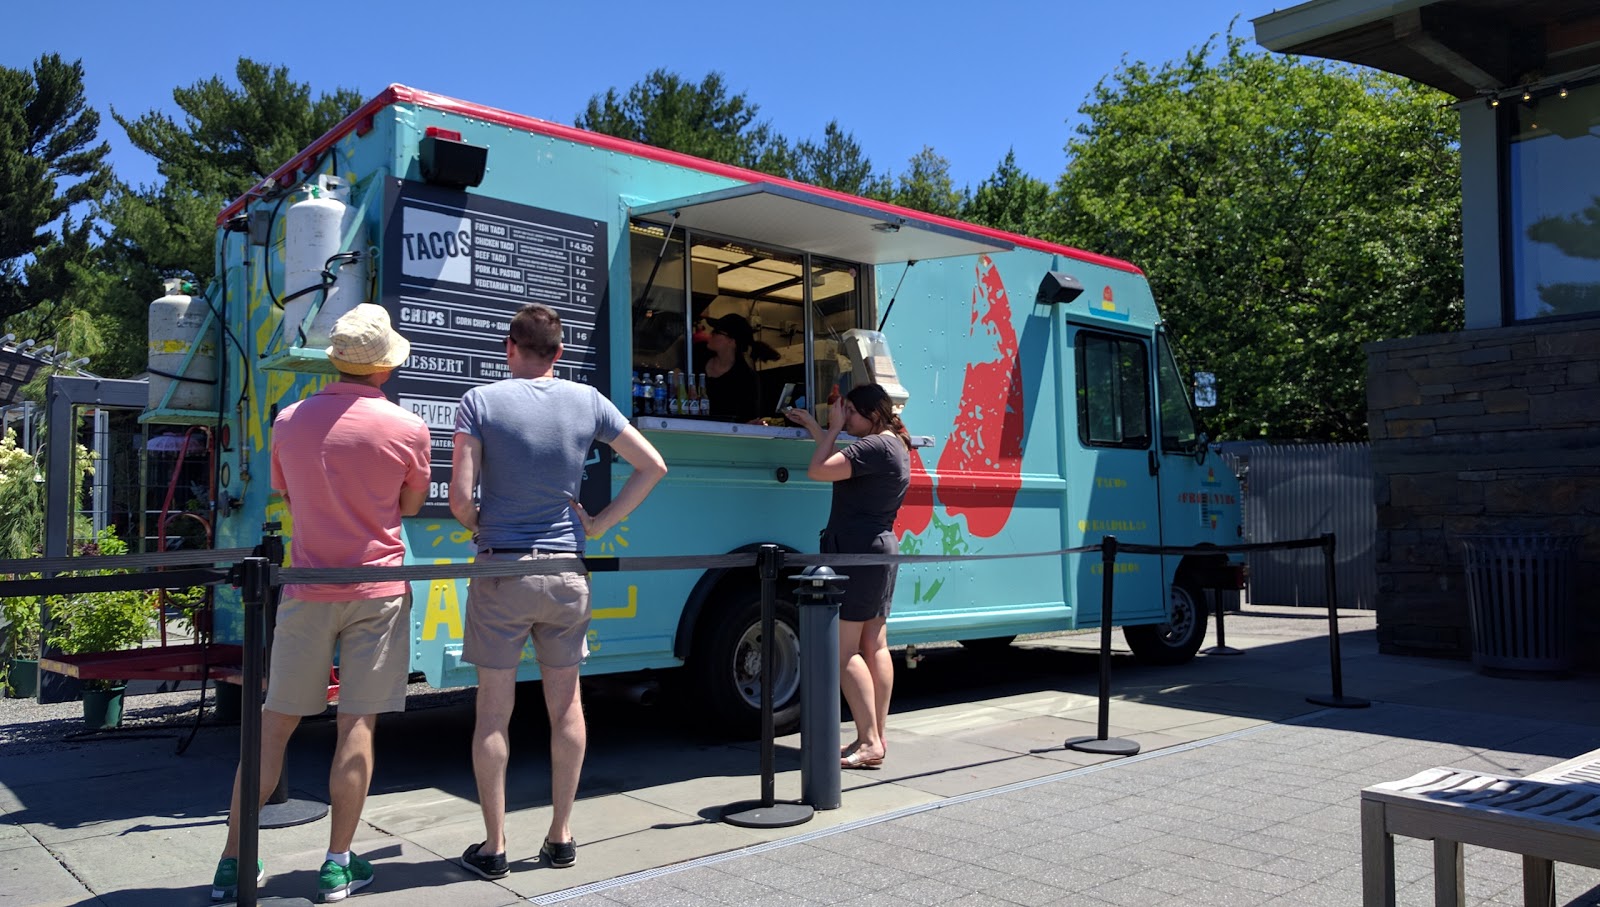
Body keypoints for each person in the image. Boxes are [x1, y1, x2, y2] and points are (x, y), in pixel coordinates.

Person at [211, 304, 430, 903]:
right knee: (356, 724)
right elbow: (409, 507)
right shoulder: (409, 428)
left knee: (274, 724)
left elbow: (284, 489)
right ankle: (337, 863)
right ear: (384, 366)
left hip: (306, 588)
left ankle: (234, 861)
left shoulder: (289, 420)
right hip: (377, 589)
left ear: (333, 360)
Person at [450, 303, 667, 877]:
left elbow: (458, 500)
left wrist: (484, 528)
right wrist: (597, 523)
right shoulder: (587, 400)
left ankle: (494, 848)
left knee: (493, 712)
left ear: (509, 347)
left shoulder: (480, 402)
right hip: (567, 573)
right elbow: (653, 466)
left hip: (502, 569)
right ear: (560, 352)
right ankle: (561, 837)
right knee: (565, 706)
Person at [785, 384, 910, 770]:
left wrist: (834, 428)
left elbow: (819, 469)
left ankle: (869, 740)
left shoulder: (872, 448)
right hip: (878, 550)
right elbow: (842, 462)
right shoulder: (893, 445)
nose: (845, 418)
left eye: (850, 412)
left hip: (856, 553)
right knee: (874, 645)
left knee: (843, 654)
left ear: (870, 413)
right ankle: (874, 736)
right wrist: (815, 427)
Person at [702, 313, 778, 423]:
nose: (711, 334)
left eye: (716, 332)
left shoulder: (746, 378)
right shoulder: (696, 358)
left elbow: (749, 420)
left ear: (732, 341)